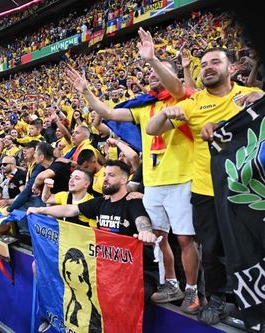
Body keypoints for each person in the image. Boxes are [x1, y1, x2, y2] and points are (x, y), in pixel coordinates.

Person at [66, 27, 200, 315]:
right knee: (159, 236)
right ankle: (172, 283)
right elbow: (110, 113)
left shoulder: (184, 99)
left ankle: (193, 289)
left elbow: (177, 87)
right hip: (153, 183)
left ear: (172, 73)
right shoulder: (145, 106)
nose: (152, 75)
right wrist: (86, 91)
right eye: (151, 71)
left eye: (159, 71)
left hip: (181, 179)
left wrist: (152, 59)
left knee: (185, 239)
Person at [146, 47, 265, 326]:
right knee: (212, 250)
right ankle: (217, 301)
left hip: (244, 189)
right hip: (205, 190)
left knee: (253, 246)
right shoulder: (194, 102)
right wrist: (167, 114)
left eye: (215, 62)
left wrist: (261, 99)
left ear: (231, 68)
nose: (208, 67)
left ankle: (254, 303)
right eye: (203, 64)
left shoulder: (248, 97)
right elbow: (152, 130)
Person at [28, 160, 159, 302]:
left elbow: (141, 219)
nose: (106, 179)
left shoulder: (132, 202)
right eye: (105, 175)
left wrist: (145, 232)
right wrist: (40, 209)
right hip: (107, 267)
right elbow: (71, 209)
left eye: (111, 175)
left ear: (124, 180)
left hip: (137, 271)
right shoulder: (100, 202)